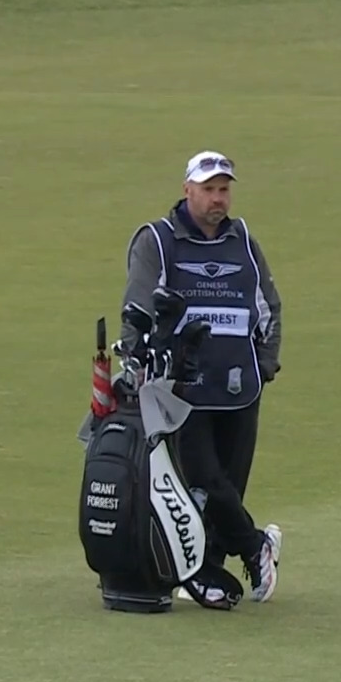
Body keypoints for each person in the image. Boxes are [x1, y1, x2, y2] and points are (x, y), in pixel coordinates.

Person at [121, 151, 284, 608]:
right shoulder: (157, 240)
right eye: (209, 189)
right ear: (187, 189)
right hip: (181, 389)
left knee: (227, 486)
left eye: (224, 189)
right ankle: (255, 547)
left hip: (240, 384)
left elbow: (268, 304)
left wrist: (265, 362)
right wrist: (134, 364)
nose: (218, 199)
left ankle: (207, 573)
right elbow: (137, 306)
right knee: (203, 480)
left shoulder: (243, 240)